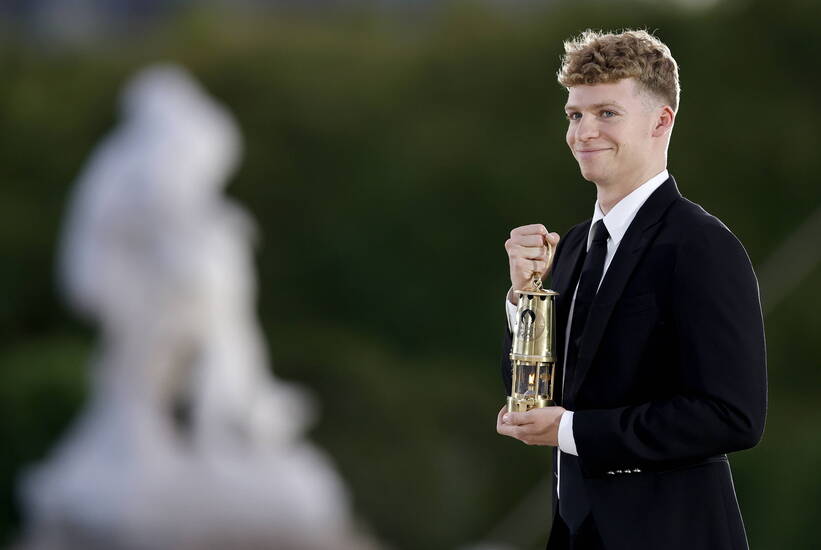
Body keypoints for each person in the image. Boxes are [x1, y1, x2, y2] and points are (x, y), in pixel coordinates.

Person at [496, 29, 767, 550]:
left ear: (661, 121)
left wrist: (572, 433)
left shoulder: (703, 245)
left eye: (607, 113)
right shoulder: (573, 245)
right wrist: (522, 298)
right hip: (575, 534)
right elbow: (535, 396)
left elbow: (734, 417)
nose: (584, 132)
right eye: (575, 115)